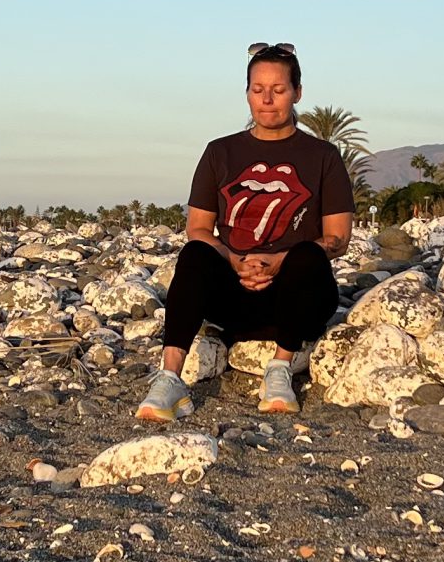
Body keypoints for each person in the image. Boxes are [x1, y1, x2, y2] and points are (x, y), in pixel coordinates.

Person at [137, 43, 354, 422]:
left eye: (279, 90)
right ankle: (170, 378)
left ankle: (280, 368)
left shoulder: (323, 156)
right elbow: (198, 228)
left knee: (309, 255)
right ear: (247, 93)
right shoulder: (219, 152)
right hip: (234, 299)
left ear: (297, 93)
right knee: (194, 254)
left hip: (298, 299)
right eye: (258, 89)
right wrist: (236, 261)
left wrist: (279, 260)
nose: (267, 100)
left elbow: (338, 238)